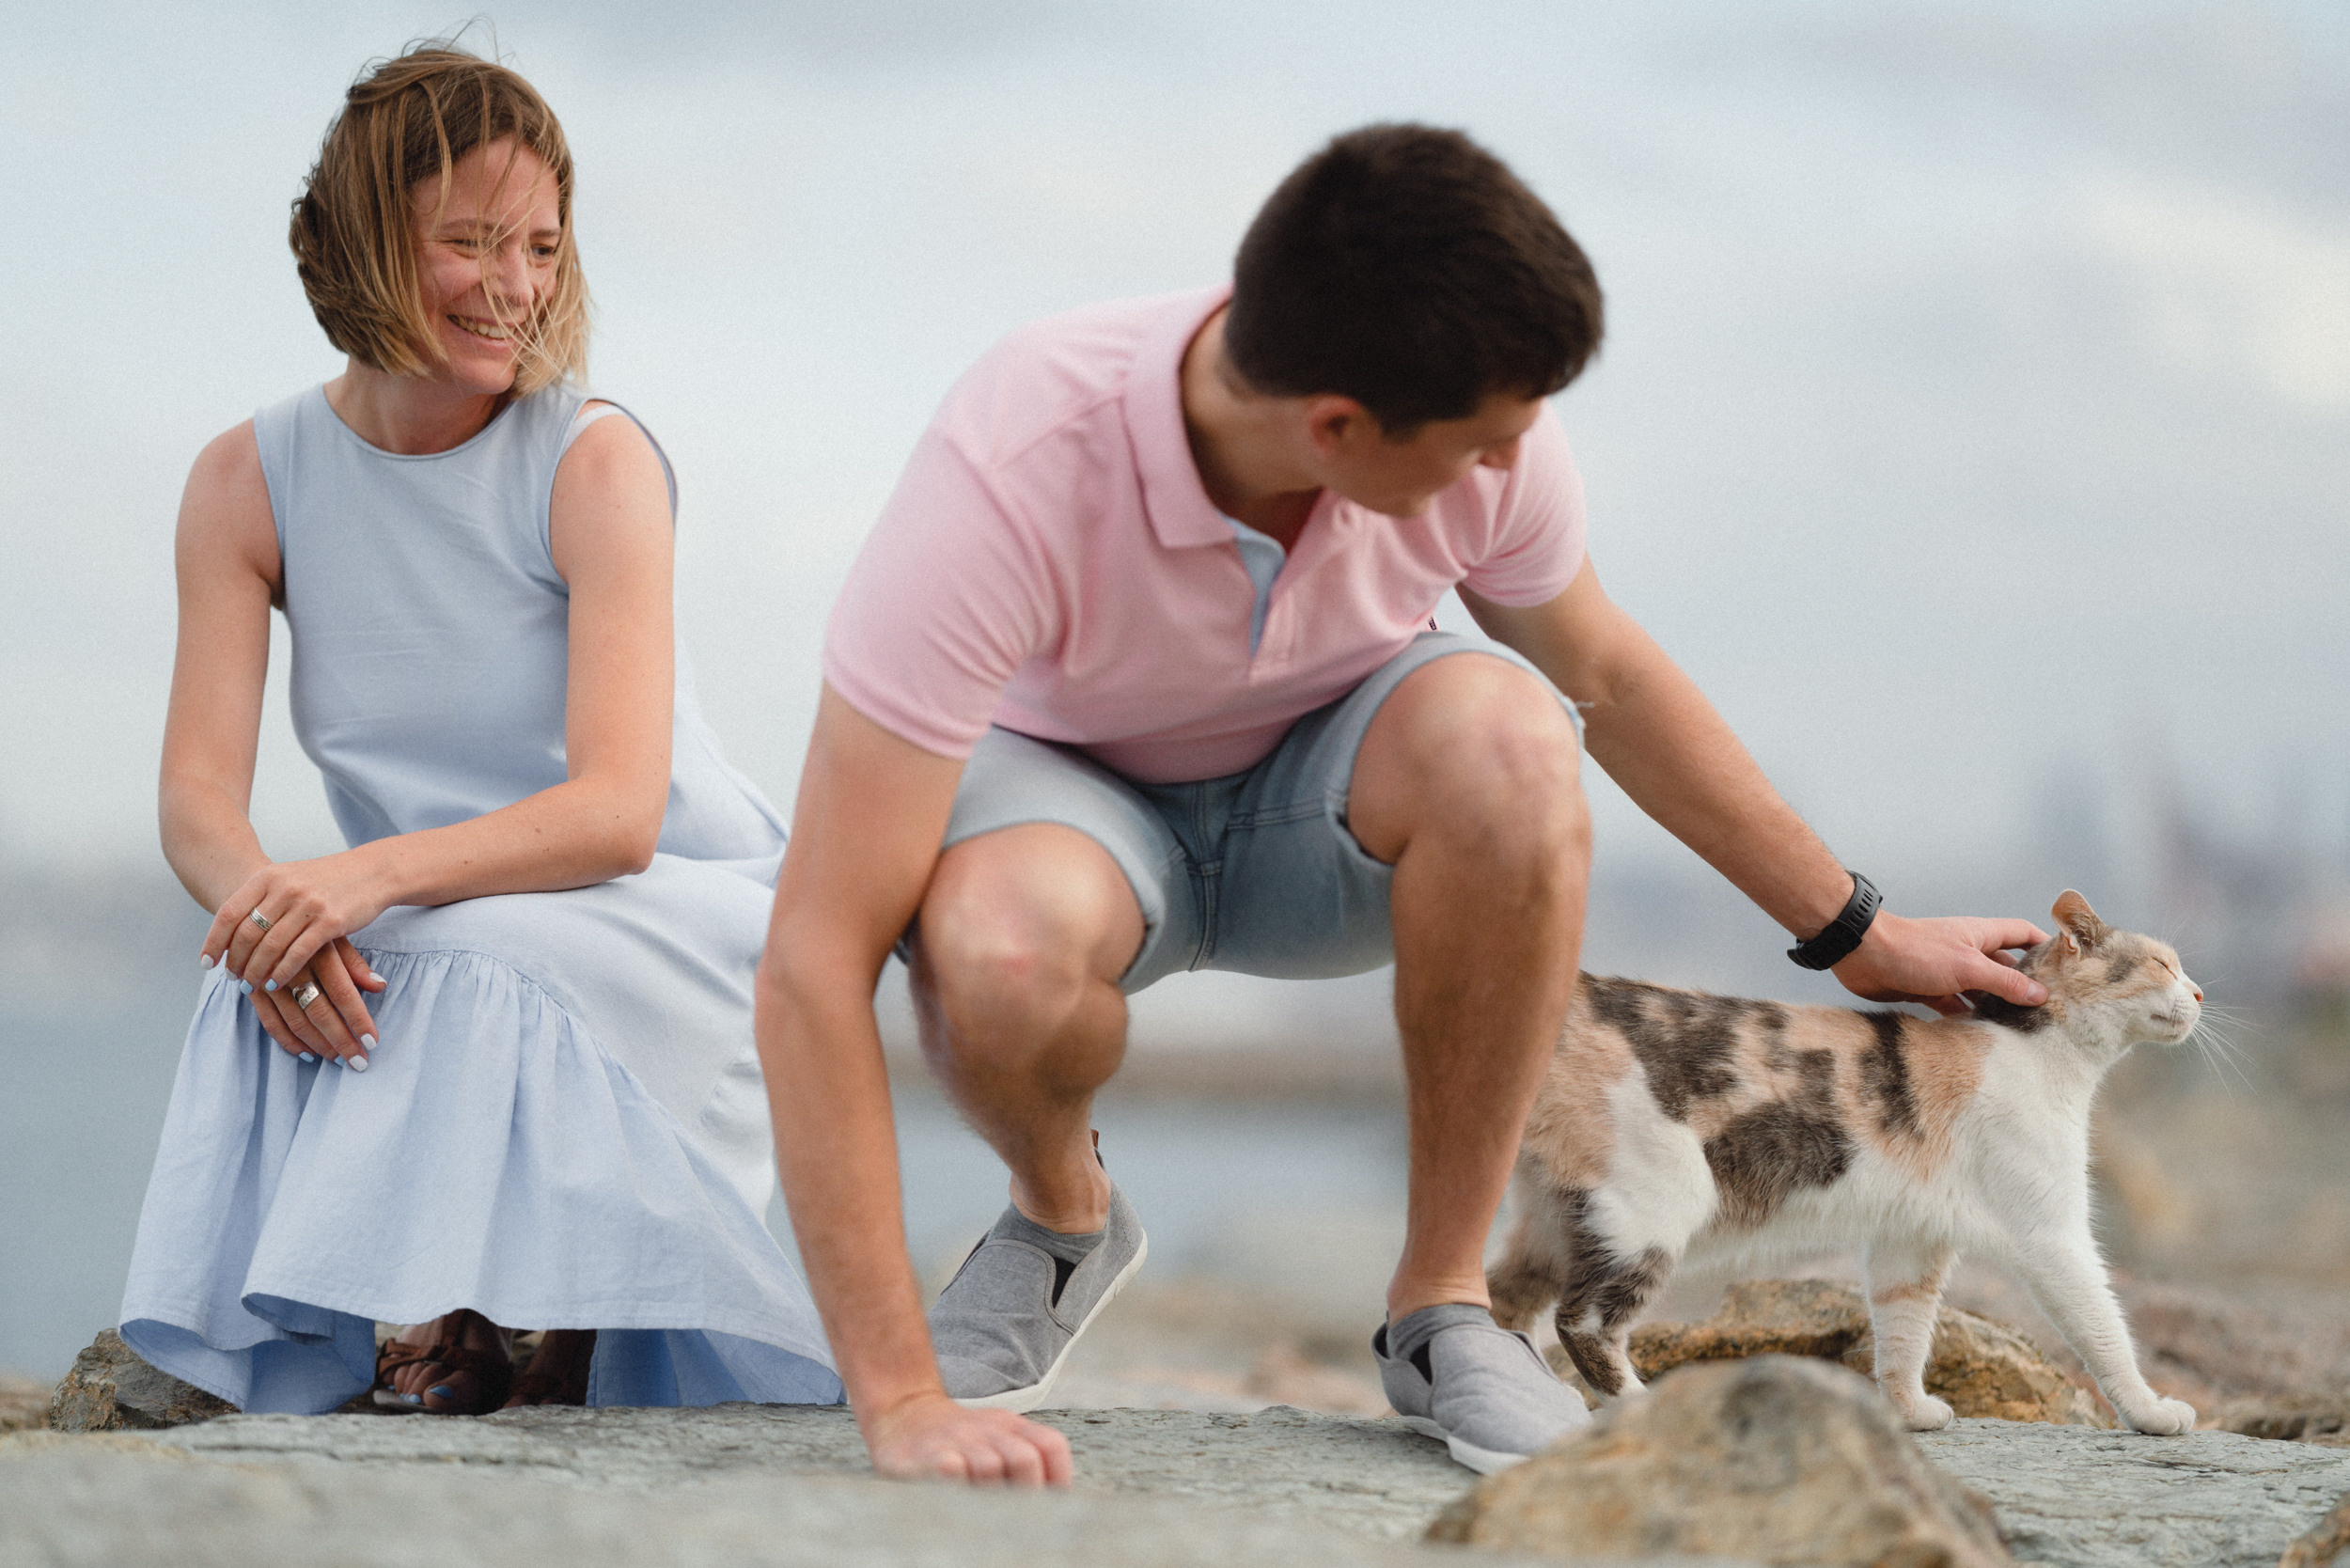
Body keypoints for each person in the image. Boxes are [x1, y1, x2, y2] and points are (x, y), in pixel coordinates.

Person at [757, 123, 2053, 1485]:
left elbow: (1608, 672)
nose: (1517, 465)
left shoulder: (1487, 436)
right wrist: (900, 1397)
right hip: (1075, 812)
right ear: (1335, 429)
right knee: (1003, 958)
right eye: (1484, 445)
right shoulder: (1014, 464)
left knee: (1516, 738)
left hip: (1332, 801)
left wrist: (1864, 934)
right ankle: (1065, 1213)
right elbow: (813, 960)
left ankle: (1442, 1313)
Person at [118, 42, 840, 1416]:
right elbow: (196, 801)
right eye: (470, 241)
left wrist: (358, 881)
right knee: (250, 977)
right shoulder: (244, 480)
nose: (516, 288)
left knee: (445, 953)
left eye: (543, 247)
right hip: (446, 915)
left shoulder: (592, 456)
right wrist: (269, 914)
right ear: (366, 241)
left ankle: (525, 1321)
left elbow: (619, 811)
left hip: (668, 908)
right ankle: (347, 1333)